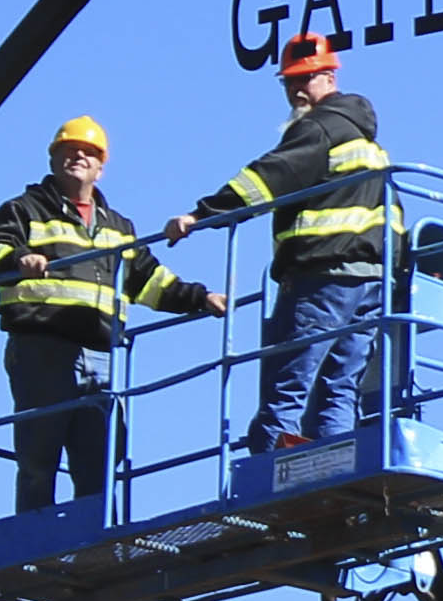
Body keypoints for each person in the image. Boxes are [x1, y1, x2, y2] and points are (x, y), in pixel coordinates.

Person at [0, 116, 223, 514]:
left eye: (89, 152)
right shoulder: (23, 210)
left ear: (101, 167)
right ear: (53, 159)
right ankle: (34, 534)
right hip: (42, 348)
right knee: (39, 454)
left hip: (99, 353)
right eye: (69, 150)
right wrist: (19, 258)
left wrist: (201, 298)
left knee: (102, 455)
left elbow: (148, 280)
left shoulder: (117, 227)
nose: (79, 157)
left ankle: (94, 534)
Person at [163, 34, 390, 453]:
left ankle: (272, 468)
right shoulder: (370, 144)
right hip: (369, 283)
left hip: (321, 278)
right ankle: (337, 468)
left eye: (305, 79)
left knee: (288, 386)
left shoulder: (319, 128)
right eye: (289, 81)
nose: (296, 90)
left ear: (330, 77)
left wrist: (200, 215)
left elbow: (266, 179)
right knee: (340, 388)